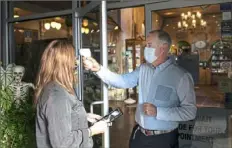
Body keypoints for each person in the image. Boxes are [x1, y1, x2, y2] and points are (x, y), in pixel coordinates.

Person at [83, 30, 197, 148]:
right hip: (139, 136)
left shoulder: (181, 76)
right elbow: (122, 81)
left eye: (149, 45)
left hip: (163, 139)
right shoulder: (143, 69)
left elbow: (190, 112)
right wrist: (98, 69)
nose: (145, 49)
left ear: (163, 48)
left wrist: (158, 112)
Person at [35, 40, 109, 148]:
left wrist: (83, 116)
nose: (77, 63)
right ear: (64, 64)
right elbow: (62, 143)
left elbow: (61, 118)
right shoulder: (56, 95)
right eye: (74, 59)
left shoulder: (56, 88)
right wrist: (92, 131)